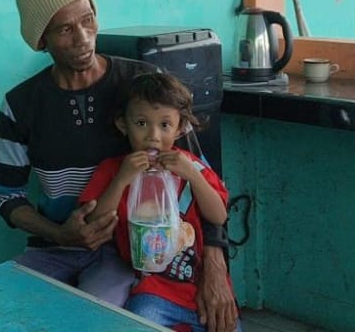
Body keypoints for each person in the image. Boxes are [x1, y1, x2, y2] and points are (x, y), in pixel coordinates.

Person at [0, 0, 239, 332]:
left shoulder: (143, 85)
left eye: (88, 20)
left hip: (128, 250)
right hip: (54, 247)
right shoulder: (20, 105)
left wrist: (214, 265)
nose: (84, 38)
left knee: (100, 318)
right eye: (65, 29)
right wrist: (59, 234)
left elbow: (196, 180)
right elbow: (7, 198)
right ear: (40, 39)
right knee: (9, 310)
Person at [78, 71, 239, 332]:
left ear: (180, 128)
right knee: (138, 323)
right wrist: (122, 179)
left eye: (165, 125)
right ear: (123, 124)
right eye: (141, 123)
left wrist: (192, 175)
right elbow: (95, 221)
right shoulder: (113, 169)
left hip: (202, 290)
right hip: (153, 291)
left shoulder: (192, 166)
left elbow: (219, 216)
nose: (153, 135)